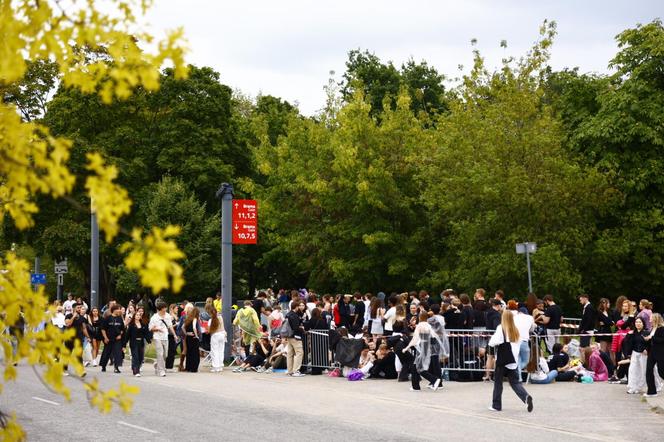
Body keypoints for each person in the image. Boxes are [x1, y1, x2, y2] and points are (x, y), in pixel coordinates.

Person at [488, 310, 533, 413]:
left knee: (498, 383)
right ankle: (526, 397)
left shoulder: (501, 328)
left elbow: (493, 342)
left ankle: (496, 405)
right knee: (515, 383)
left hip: (502, 359)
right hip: (513, 360)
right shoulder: (515, 329)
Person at [402, 312, 445, 392]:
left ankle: (434, 380)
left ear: (420, 317)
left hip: (422, 348)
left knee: (418, 367)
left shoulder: (420, 326)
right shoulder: (429, 325)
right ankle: (416, 386)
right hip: (430, 348)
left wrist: (406, 348)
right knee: (415, 366)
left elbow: (415, 339)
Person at [508, 300, 534, 378]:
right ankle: (518, 376)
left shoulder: (514, 317)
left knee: (517, 359)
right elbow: (532, 329)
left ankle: (517, 376)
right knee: (526, 360)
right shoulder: (530, 317)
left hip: (514, 340)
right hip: (524, 340)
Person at [149, 301, 175, 377]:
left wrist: (175, 335)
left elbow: (170, 326)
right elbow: (150, 328)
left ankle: (157, 364)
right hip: (157, 337)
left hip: (165, 337)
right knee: (160, 354)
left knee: (165, 354)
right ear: (160, 309)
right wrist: (157, 329)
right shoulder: (154, 317)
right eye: (164, 308)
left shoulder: (167, 316)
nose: (166, 309)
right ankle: (161, 371)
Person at [99, 304, 125, 373]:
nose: (119, 310)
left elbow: (122, 329)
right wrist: (105, 337)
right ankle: (103, 366)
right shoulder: (108, 318)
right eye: (118, 309)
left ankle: (116, 368)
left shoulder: (120, 319)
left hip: (117, 340)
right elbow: (103, 329)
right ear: (114, 310)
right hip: (109, 339)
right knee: (106, 353)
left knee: (117, 353)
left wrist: (120, 334)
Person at [644, 313, 664, 397]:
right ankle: (651, 391)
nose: (649, 320)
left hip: (660, 352)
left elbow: (662, 340)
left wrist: (651, 338)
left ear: (655, 319)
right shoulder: (652, 328)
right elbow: (652, 341)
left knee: (661, 372)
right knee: (648, 370)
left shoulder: (662, 328)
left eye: (651, 318)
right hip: (652, 352)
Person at [285, 300, 306, 377]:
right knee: (299, 352)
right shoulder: (294, 315)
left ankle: (290, 370)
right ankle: (296, 370)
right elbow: (296, 328)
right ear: (296, 307)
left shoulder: (287, 314)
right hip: (295, 336)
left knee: (290, 354)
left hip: (289, 336)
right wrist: (302, 328)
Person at [627, 317, 648, 394]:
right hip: (634, 353)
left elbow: (650, 343)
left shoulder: (646, 332)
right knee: (632, 370)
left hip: (643, 354)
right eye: (636, 322)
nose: (638, 324)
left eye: (640, 322)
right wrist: (628, 354)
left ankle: (640, 387)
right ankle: (632, 387)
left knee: (643, 371)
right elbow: (629, 344)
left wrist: (646, 349)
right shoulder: (632, 333)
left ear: (643, 324)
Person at [483, 299, 503, 381]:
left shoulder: (487, 313)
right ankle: (497, 375)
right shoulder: (496, 315)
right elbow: (497, 327)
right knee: (497, 356)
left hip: (490, 337)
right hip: (496, 337)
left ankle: (488, 375)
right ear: (498, 305)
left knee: (489, 356)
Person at [127, 308, 148, 376]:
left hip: (140, 342)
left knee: (140, 357)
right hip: (133, 342)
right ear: (134, 316)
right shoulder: (131, 325)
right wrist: (124, 344)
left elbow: (145, 333)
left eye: (139, 315)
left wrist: (148, 339)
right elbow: (127, 335)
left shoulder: (142, 325)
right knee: (135, 356)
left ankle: (134, 367)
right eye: (137, 315)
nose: (138, 316)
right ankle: (137, 371)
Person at [207, 305, 227, 373]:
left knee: (214, 351)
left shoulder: (211, 320)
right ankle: (220, 366)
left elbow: (209, 330)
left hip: (215, 335)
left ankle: (215, 367)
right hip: (222, 334)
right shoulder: (220, 317)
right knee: (221, 351)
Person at [578, 294, 597, 363]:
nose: (580, 301)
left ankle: (585, 363)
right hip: (586, 330)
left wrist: (583, 330)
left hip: (587, 331)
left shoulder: (589, 307)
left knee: (583, 349)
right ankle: (584, 362)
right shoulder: (587, 307)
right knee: (584, 348)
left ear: (585, 298)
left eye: (581, 300)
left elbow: (589, 320)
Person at [183, 307, 201, 372]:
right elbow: (194, 327)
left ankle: (188, 367)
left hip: (188, 338)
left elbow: (182, 327)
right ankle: (194, 368)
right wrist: (197, 336)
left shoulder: (188, 319)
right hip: (193, 337)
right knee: (195, 353)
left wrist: (186, 334)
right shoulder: (195, 319)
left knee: (189, 353)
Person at [165, 304, 179, 371]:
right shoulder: (170, 317)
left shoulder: (175, 316)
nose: (177, 310)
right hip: (169, 335)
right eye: (176, 308)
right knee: (170, 350)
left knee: (173, 351)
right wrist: (175, 324)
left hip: (174, 335)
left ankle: (170, 366)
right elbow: (168, 327)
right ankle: (168, 366)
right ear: (172, 309)